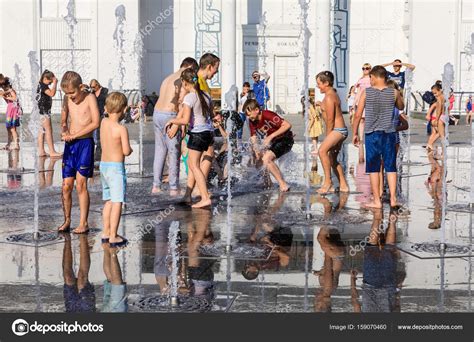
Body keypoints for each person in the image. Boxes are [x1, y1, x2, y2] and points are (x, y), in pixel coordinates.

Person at [352, 65, 404, 209]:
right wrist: (397, 95)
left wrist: (355, 133)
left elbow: (357, 115)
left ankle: (377, 201)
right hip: (389, 134)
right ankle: (393, 199)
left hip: (372, 134)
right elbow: (401, 107)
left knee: (374, 168)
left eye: (371, 78)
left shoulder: (366, 93)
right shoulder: (393, 93)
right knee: (391, 167)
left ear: (373, 77)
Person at [165, 68, 215, 208]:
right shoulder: (205, 95)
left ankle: (204, 197)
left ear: (184, 83)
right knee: (195, 164)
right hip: (208, 133)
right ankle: (188, 196)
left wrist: (172, 121)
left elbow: (186, 120)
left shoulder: (189, 97)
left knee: (194, 166)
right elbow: (211, 115)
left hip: (197, 134)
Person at [57, 71, 100, 234]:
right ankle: (67, 220)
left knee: (81, 184)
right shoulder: (67, 98)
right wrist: (64, 127)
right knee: (66, 185)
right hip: (70, 144)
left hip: (85, 144)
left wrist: (75, 134)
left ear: (81, 87)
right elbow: (64, 116)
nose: (70, 97)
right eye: (67, 94)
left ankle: (83, 222)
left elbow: (96, 122)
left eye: (72, 93)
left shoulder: (90, 98)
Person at [152, 57, 199, 196]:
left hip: (156, 114)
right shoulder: (182, 79)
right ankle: (173, 188)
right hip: (170, 115)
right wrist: (178, 124)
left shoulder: (168, 78)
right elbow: (181, 103)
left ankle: (156, 186)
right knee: (174, 151)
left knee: (160, 150)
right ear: (189, 67)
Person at [100, 92, 132, 248]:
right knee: (118, 201)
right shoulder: (121, 129)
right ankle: (113, 235)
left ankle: (105, 232)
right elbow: (126, 151)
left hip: (104, 166)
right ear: (124, 109)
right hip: (116, 169)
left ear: (106, 108)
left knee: (108, 201)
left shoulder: (103, 122)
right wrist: (130, 149)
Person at [243, 98, 293, 192]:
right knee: (259, 160)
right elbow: (253, 137)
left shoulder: (268, 115)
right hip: (275, 142)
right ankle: (267, 182)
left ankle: (283, 184)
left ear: (257, 110)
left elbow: (287, 125)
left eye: (249, 114)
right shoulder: (252, 121)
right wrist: (256, 149)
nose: (248, 117)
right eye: (247, 115)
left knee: (267, 159)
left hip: (286, 140)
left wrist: (270, 137)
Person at [315, 71, 349, 195]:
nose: (318, 86)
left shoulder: (329, 96)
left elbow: (330, 119)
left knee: (322, 151)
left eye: (319, 83)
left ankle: (328, 182)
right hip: (340, 130)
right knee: (333, 159)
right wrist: (320, 104)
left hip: (337, 130)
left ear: (326, 83)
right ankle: (344, 185)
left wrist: (327, 136)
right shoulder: (330, 94)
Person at [37, 70, 62, 157]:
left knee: (42, 131)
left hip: (40, 111)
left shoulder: (40, 85)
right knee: (48, 130)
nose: (51, 83)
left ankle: (41, 151)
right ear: (45, 78)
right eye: (50, 81)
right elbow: (52, 93)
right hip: (44, 111)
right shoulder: (43, 86)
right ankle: (52, 151)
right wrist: (55, 83)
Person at [353, 63, 372, 163]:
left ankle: (369, 135)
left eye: (367, 68)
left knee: (369, 119)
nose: (365, 70)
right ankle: (361, 138)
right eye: (364, 68)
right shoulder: (360, 80)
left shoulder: (372, 79)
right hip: (362, 102)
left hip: (370, 102)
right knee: (361, 120)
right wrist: (353, 103)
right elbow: (359, 93)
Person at [0, 76, 21, 151]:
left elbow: (15, 99)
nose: (1, 88)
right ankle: (9, 144)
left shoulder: (11, 90)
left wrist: (6, 96)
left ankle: (16, 144)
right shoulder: (6, 91)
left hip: (13, 110)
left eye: (2, 86)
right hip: (10, 109)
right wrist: (4, 96)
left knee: (12, 128)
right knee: (8, 128)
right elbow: (8, 102)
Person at [89, 79, 109, 161]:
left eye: (93, 87)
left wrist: (106, 109)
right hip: (94, 114)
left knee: (101, 132)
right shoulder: (92, 93)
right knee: (95, 132)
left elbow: (108, 100)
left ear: (98, 84)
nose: (92, 88)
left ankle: (101, 150)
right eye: (91, 87)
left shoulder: (105, 91)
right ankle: (97, 150)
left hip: (102, 114)